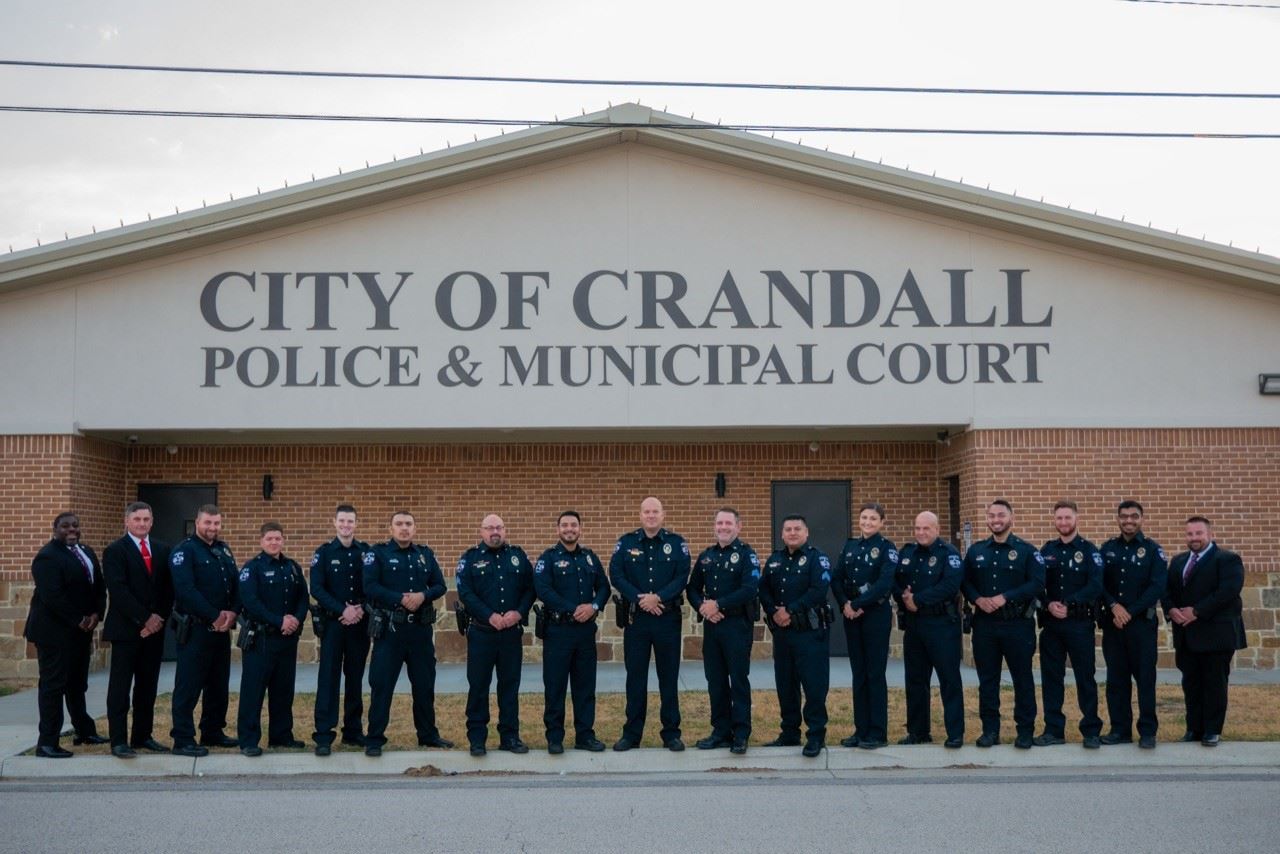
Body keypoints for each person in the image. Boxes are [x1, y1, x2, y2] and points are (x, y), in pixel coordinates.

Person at [362, 510, 453, 756]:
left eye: (408, 524)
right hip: (390, 631)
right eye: (399, 524)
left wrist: (422, 596)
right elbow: (369, 586)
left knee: (424, 685)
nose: (404, 528)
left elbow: (440, 586)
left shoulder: (424, 554)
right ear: (391, 528)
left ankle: (428, 735)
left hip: (420, 632)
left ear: (414, 528)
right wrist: (401, 599)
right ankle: (374, 739)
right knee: (382, 685)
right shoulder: (377, 553)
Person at [608, 496, 691, 752]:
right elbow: (616, 574)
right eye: (647, 512)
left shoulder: (677, 544)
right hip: (637, 619)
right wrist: (640, 598)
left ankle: (671, 733)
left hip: (667, 618)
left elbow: (682, 576)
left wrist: (659, 598)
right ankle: (632, 734)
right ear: (641, 515)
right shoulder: (626, 542)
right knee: (635, 678)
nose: (651, 516)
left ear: (663, 515)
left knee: (668, 678)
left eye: (656, 511)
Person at [962, 499, 1045, 750]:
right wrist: (976, 598)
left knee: (1022, 679)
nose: (995, 519)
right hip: (985, 625)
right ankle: (990, 731)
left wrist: (1005, 597)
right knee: (988, 680)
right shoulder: (976, 551)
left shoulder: (1027, 551)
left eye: (1001, 515)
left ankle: (1025, 731)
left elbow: (1037, 584)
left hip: (1017, 624)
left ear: (1011, 518)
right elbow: (964, 582)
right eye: (991, 515)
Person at [25, 512, 107, 758]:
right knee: (53, 686)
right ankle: (47, 742)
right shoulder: (47, 557)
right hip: (53, 633)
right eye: (65, 526)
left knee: (76, 685)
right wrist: (78, 618)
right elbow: (53, 597)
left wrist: (96, 613)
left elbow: (99, 586)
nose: (71, 530)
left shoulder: (86, 551)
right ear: (55, 529)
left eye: (75, 525)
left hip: (81, 632)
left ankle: (83, 731)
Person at [1162, 516, 1246, 747]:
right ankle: (1194, 729)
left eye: (1198, 533)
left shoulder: (1227, 559)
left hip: (1216, 635)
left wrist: (1197, 611)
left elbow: (1228, 591)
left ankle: (1212, 730)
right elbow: (1166, 590)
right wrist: (1171, 610)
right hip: (1186, 636)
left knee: (1214, 684)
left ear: (1209, 534)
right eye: (1190, 534)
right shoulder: (1179, 561)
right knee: (1191, 684)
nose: (1194, 538)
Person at [456, 514, 535, 756]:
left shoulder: (518, 557)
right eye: (489, 528)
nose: (494, 532)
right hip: (481, 633)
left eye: (499, 527)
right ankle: (477, 739)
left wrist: (519, 613)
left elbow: (531, 588)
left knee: (509, 687)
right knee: (479, 687)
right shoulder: (470, 558)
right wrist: (489, 615)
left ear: (505, 530)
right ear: (481, 531)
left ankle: (509, 737)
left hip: (511, 634)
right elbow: (465, 592)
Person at [533, 511, 610, 754]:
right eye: (565, 525)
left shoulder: (589, 558)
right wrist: (573, 608)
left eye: (573, 525)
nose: (569, 529)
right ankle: (554, 737)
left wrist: (594, 606)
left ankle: (585, 736)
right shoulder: (548, 558)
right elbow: (543, 590)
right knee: (555, 687)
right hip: (558, 631)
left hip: (585, 632)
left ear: (580, 529)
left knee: (585, 687)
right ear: (558, 530)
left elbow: (604, 587)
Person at [687, 507, 760, 755]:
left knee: (738, 680)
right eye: (719, 523)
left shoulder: (747, 554)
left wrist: (718, 604)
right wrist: (703, 607)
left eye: (728, 523)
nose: (723, 527)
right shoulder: (707, 556)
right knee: (715, 680)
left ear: (738, 527)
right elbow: (692, 588)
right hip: (713, 626)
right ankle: (720, 731)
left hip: (737, 626)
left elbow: (750, 588)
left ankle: (740, 734)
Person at [102, 501, 172, 758]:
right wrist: (144, 619)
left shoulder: (164, 550)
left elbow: (168, 590)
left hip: (154, 632)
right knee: (120, 688)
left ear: (152, 522)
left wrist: (158, 619)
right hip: (126, 630)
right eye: (137, 519)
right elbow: (118, 591)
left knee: (147, 686)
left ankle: (142, 735)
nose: (142, 524)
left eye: (146, 519)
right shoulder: (115, 551)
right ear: (127, 521)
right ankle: (118, 740)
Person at [169, 504, 240, 757]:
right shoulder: (184, 551)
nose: (212, 528)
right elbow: (185, 590)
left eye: (216, 523)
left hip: (221, 630)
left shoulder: (223, 550)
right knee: (189, 685)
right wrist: (214, 615)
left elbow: (235, 583)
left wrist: (233, 613)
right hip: (196, 629)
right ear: (197, 523)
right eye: (208, 523)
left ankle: (212, 730)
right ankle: (183, 738)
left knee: (218, 684)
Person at [759, 514, 832, 758]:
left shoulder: (816, 558)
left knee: (814, 686)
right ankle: (789, 732)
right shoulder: (775, 560)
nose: (792, 533)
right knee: (786, 685)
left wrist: (789, 610)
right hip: (783, 634)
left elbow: (818, 590)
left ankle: (815, 736)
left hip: (810, 634)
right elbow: (764, 589)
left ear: (806, 533)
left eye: (797, 529)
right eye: (788, 529)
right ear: (782, 534)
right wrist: (774, 611)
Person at [1035, 501, 1104, 749]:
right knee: (1052, 678)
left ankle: (1091, 731)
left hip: (1079, 623)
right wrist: (1048, 604)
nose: (1063, 522)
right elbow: (1036, 582)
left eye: (1067, 518)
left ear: (1076, 519)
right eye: (1059, 518)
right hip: (1052, 625)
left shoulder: (1089, 550)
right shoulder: (1046, 550)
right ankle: (1054, 730)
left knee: (1085, 677)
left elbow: (1096, 585)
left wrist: (1069, 603)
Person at [1099, 500, 1168, 749]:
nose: (1129, 521)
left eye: (1134, 516)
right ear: (1118, 519)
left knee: (1145, 679)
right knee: (1116, 680)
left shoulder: (1153, 551)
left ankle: (1147, 731)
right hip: (1114, 625)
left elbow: (1157, 586)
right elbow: (1099, 583)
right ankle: (1120, 730)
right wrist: (1114, 606)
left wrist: (1130, 611)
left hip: (1141, 626)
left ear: (1142, 519)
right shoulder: (1107, 549)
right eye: (1124, 517)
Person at [893, 511, 965, 749]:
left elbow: (951, 585)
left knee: (949, 679)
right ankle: (918, 732)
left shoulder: (949, 554)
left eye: (926, 528)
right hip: (914, 625)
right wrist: (904, 598)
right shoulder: (907, 553)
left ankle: (955, 733)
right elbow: (895, 580)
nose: (921, 533)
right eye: (918, 528)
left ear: (937, 529)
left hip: (942, 625)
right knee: (915, 680)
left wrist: (919, 599)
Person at [236, 522, 309, 756]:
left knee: (283, 691)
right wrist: (279, 621)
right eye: (269, 539)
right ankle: (248, 740)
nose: (274, 542)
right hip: (261, 640)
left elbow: (303, 598)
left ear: (283, 540)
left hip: (287, 640)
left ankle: (281, 736)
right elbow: (251, 602)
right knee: (253, 691)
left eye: (278, 538)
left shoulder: (292, 567)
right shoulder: (252, 569)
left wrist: (295, 620)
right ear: (261, 541)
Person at [831, 502, 897, 750]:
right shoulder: (850, 546)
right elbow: (837, 578)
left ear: (881, 522)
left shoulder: (886, 548)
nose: (868, 522)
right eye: (864, 518)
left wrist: (858, 603)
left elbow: (884, 583)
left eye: (873, 519)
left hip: (875, 616)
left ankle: (877, 732)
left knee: (874, 674)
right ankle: (860, 730)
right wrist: (845, 604)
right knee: (859, 674)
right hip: (852, 616)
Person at [309, 504, 371, 756]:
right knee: (329, 678)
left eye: (350, 521)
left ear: (356, 524)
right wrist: (341, 610)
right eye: (342, 521)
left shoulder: (366, 553)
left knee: (355, 678)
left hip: (360, 624)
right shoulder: (323, 554)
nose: (346, 525)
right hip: (334, 625)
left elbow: (374, 585)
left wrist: (360, 609)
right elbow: (317, 588)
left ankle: (353, 731)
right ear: (334, 523)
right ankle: (324, 734)